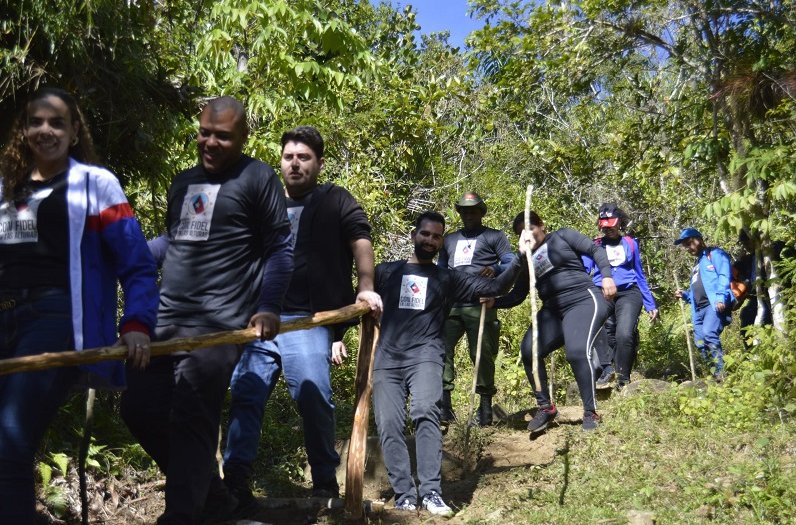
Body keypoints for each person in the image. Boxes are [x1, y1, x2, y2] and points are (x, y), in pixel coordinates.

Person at [120, 96, 294, 525]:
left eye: (223, 136)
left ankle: (180, 515)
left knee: (193, 415)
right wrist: (130, 256)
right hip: (165, 319)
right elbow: (176, 239)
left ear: (243, 138)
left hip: (219, 324)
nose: (210, 142)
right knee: (138, 409)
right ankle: (215, 502)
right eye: (205, 132)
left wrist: (269, 307)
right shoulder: (182, 181)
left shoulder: (258, 178)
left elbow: (279, 249)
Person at [0, 87, 159, 524]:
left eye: (57, 122)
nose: (45, 130)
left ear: (74, 133)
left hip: (56, 319)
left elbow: (138, 264)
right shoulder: (4, 186)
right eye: (36, 121)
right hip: (5, 317)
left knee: (9, 442)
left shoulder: (95, 184)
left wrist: (138, 321)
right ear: (23, 129)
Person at [222, 126, 382, 503]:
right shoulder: (265, 204)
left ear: (319, 163)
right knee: (245, 395)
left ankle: (325, 481)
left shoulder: (335, 200)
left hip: (309, 321)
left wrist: (366, 285)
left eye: (304, 157)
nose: (294, 164)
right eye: (289, 156)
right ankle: (235, 483)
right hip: (260, 321)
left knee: (314, 397)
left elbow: (360, 238)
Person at [373, 211, 521, 516]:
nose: (430, 240)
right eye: (425, 234)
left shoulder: (447, 278)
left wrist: (519, 257)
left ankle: (430, 492)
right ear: (414, 235)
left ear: (442, 243)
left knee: (426, 412)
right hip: (387, 358)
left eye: (436, 236)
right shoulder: (385, 272)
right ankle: (404, 493)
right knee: (388, 423)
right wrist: (335, 337)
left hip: (426, 355)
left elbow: (494, 289)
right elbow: (360, 304)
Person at [492, 211, 615, 435]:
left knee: (576, 352)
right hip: (553, 310)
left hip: (583, 300)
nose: (526, 235)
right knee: (529, 351)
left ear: (542, 226)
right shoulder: (525, 259)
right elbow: (517, 296)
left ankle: (590, 412)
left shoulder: (562, 236)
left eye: (529, 229)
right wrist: (492, 303)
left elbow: (595, 249)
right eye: (520, 233)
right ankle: (546, 407)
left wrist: (606, 275)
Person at [438, 192, 515, 426]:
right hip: (452, 305)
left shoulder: (494, 236)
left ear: (481, 212)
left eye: (473, 210)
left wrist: (495, 268)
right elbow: (440, 269)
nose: (468, 215)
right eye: (464, 210)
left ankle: (484, 410)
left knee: (481, 354)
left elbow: (511, 261)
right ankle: (445, 409)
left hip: (481, 302)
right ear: (459, 213)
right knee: (442, 352)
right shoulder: (449, 240)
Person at [583, 204, 658, 390]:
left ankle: (623, 378)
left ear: (619, 224)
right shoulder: (595, 245)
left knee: (624, 333)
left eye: (612, 226)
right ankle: (607, 369)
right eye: (605, 227)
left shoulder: (630, 244)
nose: (608, 230)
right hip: (602, 292)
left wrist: (650, 304)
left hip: (628, 293)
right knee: (604, 332)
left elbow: (639, 274)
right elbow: (584, 271)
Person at [674, 227, 733, 381]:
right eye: (685, 246)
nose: (687, 248)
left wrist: (721, 297)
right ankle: (714, 375)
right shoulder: (697, 265)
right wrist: (685, 295)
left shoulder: (715, 254)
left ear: (698, 240)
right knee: (700, 342)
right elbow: (696, 290)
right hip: (698, 310)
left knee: (709, 334)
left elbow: (724, 275)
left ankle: (721, 374)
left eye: (689, 244)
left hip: (713, 306)